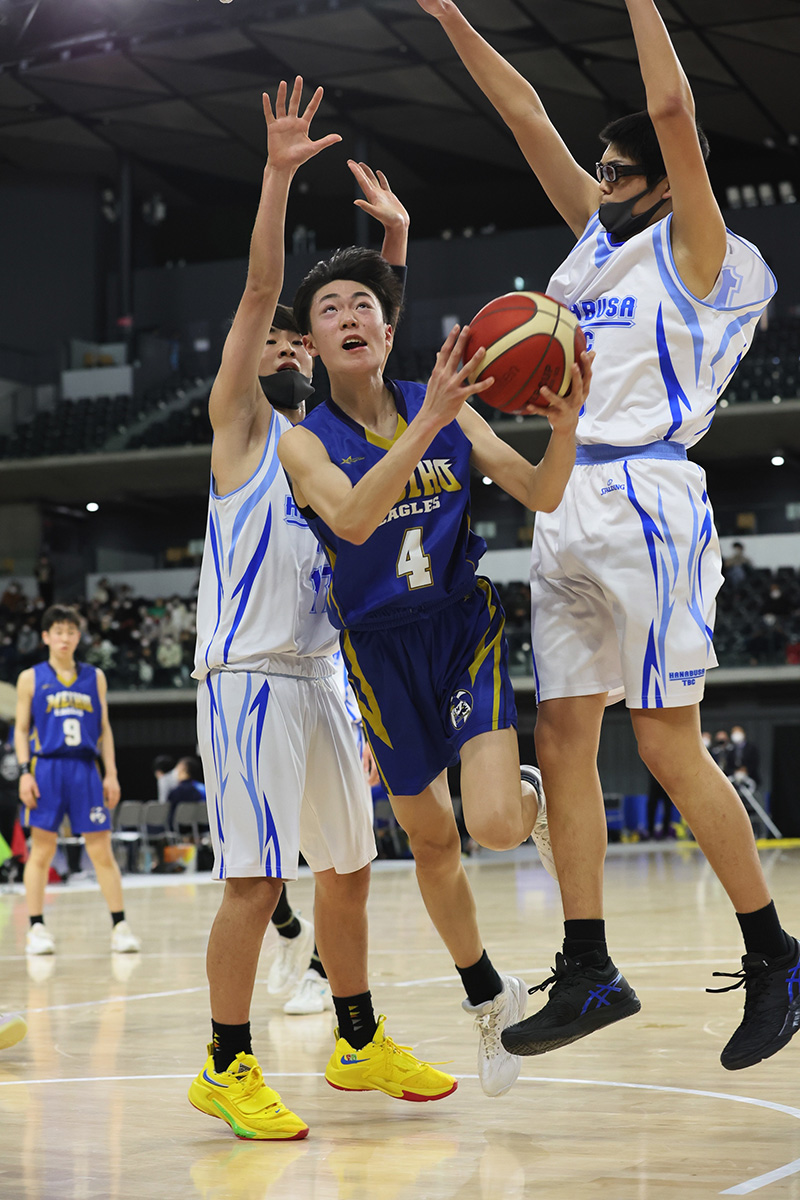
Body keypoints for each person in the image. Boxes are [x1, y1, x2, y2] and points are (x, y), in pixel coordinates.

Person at [416, 0, 799, 1072]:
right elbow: (524, 114)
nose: (599, 176)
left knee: (668, 743)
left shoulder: (699, 248)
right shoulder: (596, 238)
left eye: (617, 168)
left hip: (649, 496)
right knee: (562, 737)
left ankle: (775, 955)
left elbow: (671, 106)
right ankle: (588, 965)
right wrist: (449, 16)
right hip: (566, 492)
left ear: (666, 179)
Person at [278, 181, 591, 1093]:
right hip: (377, 651)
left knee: (489, 825)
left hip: (460, 628)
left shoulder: (443, 406)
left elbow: (540, 492)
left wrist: (565, 428)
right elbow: (353, 522)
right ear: (312, 345)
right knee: (431, 841)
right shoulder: (304, 444)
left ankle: (526, 799)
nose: (350, 317)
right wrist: (427, 422)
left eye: (364, 305)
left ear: (387, 328)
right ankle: (489, 998)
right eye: (331, 309)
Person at [188, 78, 456, 1142]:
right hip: (248, 677)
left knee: (349, 866)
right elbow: (267, 289)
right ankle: (226, 1064)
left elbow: (368, 342)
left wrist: (394, 249)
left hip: (322, 679)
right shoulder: (242, 429)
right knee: (256, 887)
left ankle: (356, 1039)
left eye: (300, 343)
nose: (296, 346)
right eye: (279, 341)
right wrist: (275, 178)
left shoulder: (328, 444)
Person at [14, 605, 140, 956]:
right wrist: (24, 772)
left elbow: (104, 729)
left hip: (85, 768)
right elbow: (21, 730)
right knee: (42, 850)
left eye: (71, 631)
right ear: (45, 637)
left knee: (101, 850)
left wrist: (111, 772)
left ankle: (120, 926)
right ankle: (36, 927)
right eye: (58, 631)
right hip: (47, 768)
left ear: (78, 636)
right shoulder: (30, 678)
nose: (65, 638)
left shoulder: (95, 677)